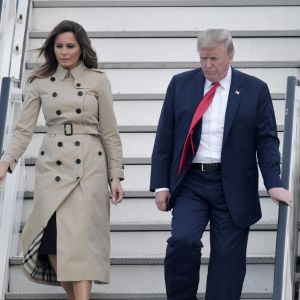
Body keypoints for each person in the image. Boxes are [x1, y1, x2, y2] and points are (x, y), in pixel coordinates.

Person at [150, 29, 292, 300]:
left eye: (214, 58)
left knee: (228, 258)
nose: (207, 65)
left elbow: (266, 140)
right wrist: (160, 185)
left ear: (230, 56)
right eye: (203, 58)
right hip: (191, 181)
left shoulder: (255, 89)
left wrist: (273, 182)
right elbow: (165, 135)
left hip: (234, 186)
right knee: (182, 242)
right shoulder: (181, 84)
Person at [0, 20, 124, 300]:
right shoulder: (40, 82)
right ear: (51, 47)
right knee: (51, 243)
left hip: (90, 165)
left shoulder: (98, 80)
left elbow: (110, 131)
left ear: (81, 48)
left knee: (81, 245)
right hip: (53, 163)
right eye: (59, 46)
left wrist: (115, 175)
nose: (64, 52)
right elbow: (24, 129)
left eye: (70, 46)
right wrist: (6, 161)